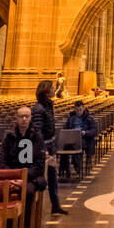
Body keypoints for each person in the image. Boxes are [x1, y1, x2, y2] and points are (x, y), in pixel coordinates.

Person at [0, 104, 46, 228]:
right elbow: (2, 161)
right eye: (21, 116)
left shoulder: (37, 137)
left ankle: (24, 227)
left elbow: (39, 165)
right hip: (11, 177)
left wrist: (23, 179)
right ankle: (5, 226)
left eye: (27, 116)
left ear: (31, 118)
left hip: (31, 178)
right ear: (16, 118)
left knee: (29, 191)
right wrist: (11, 177)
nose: (24, 119)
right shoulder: (9, 137)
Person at [31, 80, 68, 214]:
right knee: (40, 178)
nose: (55, 90)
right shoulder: (38, 109)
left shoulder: (48, 105)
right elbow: (37, 131)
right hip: (43, 148)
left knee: (53, 176)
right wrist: (44, 150)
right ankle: (34, 210)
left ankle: (55, 205)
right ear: (46, 91)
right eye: (53, 88)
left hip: (50, 145)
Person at [60, 99, 97, 178]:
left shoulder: (89, 119)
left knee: (78, 145)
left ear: (83, 108)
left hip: (84, 139)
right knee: (64, 148)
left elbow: (94, 130)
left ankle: (78, 167)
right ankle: (66, 169)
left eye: (80, 110)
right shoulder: (71, 119)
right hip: (72, 138)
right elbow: (65, 129)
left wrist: (85, 132)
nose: (78, 112)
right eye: (77, 110)